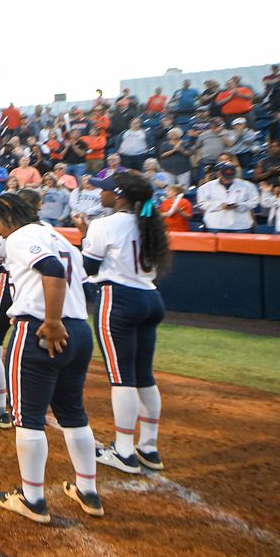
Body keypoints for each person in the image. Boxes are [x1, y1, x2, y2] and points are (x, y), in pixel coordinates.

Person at [0, 193, 103, 524]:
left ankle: (33, 498)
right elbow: (79, 279)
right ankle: (88, 491)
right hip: (79, 329)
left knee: (29, 417)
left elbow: (51, 270)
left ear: (7, 218)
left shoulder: (22, 236)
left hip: (43, 329)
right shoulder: (56, 234)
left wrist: (51, 321)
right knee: (73, 412)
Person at [77, 171, 171, 475]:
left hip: (119, 300)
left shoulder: (104, 224)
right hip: (150, 297)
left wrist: (84, 238)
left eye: (105, 190)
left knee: (122, 378)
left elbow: (87, 267)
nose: (100, 194)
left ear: (118, 196)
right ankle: (149, 446)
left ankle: (124, 450)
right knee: (143, 374)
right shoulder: (150, 222)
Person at [196, 164, 259, 232]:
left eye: (230, 176)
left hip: (241, 225)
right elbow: (202, 204)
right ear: (219, 174)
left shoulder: (247, 185)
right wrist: (220, 205)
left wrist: (239, 205)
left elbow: (254, 202)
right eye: (225, 176)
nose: (228, 179)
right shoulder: (206, 187)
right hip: (215, 225)